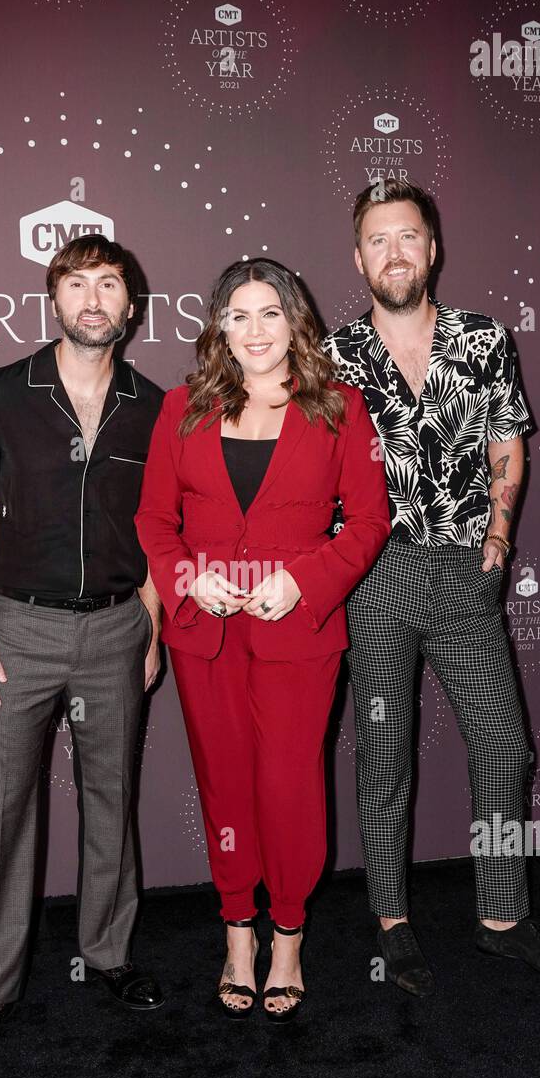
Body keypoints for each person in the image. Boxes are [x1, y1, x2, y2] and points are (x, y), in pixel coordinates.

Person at [325, 179, 540, 994]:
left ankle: (503, 919)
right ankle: (394, 923)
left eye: (409, 236)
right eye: (379, 239)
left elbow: (510, 443)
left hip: (466, 574)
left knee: (506, 747)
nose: (395, 251)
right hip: (375, 578)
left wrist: (502, 536)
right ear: (359, 256)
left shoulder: (483, 339)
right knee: (384, 755)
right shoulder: (333, 357)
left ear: (432, 248)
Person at [134, 259, 390, 1022]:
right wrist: (185, 579)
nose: (254, 331)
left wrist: (303, 581)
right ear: (219, 327)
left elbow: (371, 522)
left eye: (270, 313)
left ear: (295, 322)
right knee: (225, 786)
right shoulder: (182, 407)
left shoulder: (340, 408)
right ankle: (236, 933)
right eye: (238, 315)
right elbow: (153, 520)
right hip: (204, 635)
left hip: (296, 634)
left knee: (287, 786)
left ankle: (287, 936)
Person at [0, 235, 166, 1071]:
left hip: (116, 628)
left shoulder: (155, 406)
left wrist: (149, 621)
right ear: (55, 300)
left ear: (130, 306)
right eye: (77, 284)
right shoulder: (2, 394)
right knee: (3, 813)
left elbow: (162, 527)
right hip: (16, 631)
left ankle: (109, 957)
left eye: (109, 285)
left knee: (111, 800)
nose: (93, 298)